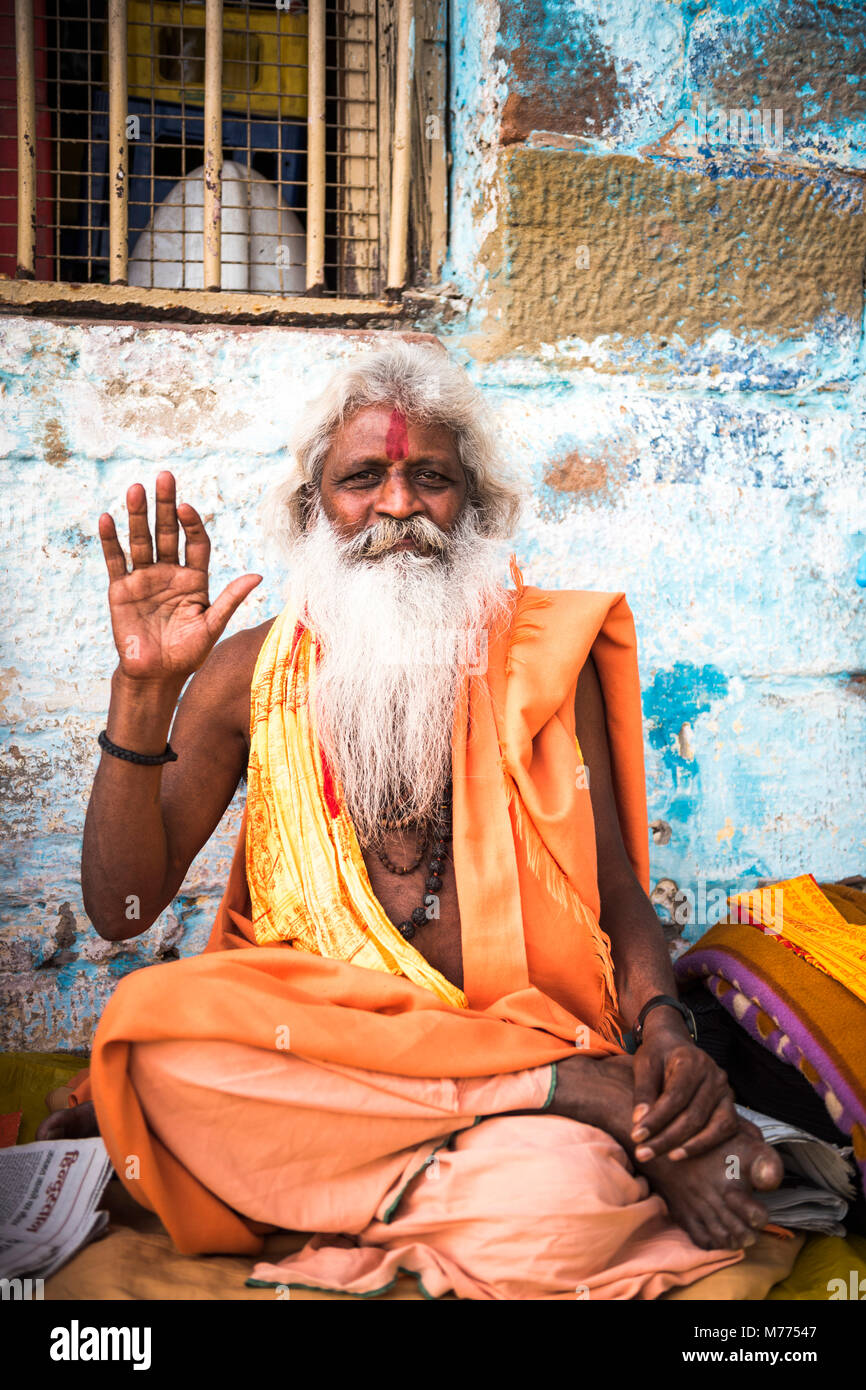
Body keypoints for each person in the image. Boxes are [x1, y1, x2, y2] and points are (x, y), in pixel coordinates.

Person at [40, 341, 782, 1299]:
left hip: (518, 1040)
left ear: (473, 508)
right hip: (329, 1057)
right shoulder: (245, 677)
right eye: (361, 479)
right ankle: (567, 1124)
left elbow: (612, 891)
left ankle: (372, 1183)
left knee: (557, 1212)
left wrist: (665, 1038)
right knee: (153, 1033)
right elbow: (125, 908)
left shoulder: (539, 661)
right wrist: (142, 691)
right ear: (314, 512)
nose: (396, 506)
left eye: (428, 477)